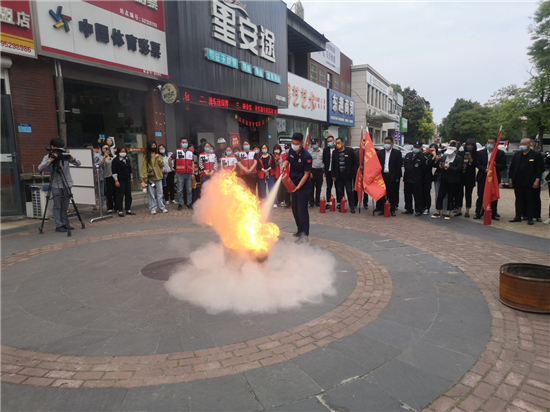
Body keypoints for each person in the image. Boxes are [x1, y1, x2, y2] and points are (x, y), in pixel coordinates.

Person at [38, 138, 81, 232]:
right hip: (55, 184)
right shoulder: (48, 156)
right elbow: (40, 168)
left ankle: (65, 223)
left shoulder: (65, 155)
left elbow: (79, 164)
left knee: (65, 205)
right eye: (57, 148)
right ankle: (58, 225)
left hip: (67, 183)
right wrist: (50, 160)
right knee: (57, 205)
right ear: (52, 147)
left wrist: (73, 159)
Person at [282, 133, 312, 243]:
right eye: (292, 143)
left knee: (302, 211)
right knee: (295, 209)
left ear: (302, 143)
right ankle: (299, 231)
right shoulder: (291, 150)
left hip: (303, 186)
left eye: (296, 144)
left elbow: (306, 174)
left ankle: (304, 235)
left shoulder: (307, 156)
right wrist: (284, 165)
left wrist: (298, 187)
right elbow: (288, 159)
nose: (294, 145)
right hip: (292, 184)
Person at [508, 138, 544, 225]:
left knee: (530, 200)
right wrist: (510, 179)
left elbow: (540, 169)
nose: (522, 146)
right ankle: (518, 216)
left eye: (524, 144)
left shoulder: (536, 155)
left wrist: (537, 180)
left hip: (530, 182)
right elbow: (512, 168)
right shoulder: (517, 155)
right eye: (521, 144)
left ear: (529, 144)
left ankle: (530, 217)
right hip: (518, 181)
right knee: (519, 199)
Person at [473, 137, 506, 220]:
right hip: (483, 176)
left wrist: (495, 165)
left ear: (495, 143)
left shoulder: (500, 153)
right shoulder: (480, 153)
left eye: (492, 142)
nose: (490, 144)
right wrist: (485, 169)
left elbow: (503, 166)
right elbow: (477, 163)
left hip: (493, 177)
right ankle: (479, 212)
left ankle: (493, 213)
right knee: (481, 195)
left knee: (493, 195)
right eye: (488, 142)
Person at [432, 142, 462, 220]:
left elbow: (459, 169)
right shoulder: (444, 157)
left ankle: (448, 212)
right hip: (444, 179)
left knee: (450, 197)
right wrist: (440, 166)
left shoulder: (458, 158)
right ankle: (438, 211)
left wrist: (449, 167)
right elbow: (438, 165)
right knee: (440, 195)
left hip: (453, 180)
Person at [376, 137, 403, 216]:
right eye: (385, 143)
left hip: (392, 176)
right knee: (382, 193)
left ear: (392, 144)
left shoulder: (397, 153)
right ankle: (381, 209)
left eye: (388, 143)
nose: (386, 144)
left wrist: (397, 177)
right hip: (382, 175)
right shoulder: (380, 153)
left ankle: (392, 209)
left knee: (392, 193)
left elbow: (398, 166)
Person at [332, 137, 358, 213]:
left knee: (349, 191)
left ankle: (352, 206)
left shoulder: (349, 150)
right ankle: (342, 206)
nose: (337, 145)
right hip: (338, 175)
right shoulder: (335, 152)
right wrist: (333, 175)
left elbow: (355, 161)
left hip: (348, 175)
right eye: (336, 143)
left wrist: (359, 169)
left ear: (343, 143)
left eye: (339, 143)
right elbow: (333, 165)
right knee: (340, 191)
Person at [141, 141, 167, 215]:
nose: (154, 146)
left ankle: (162, 207)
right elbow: (144, 167)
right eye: (152, 145)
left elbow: (162, 165)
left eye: (154, 145)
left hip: (158, 177)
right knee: (151, 194)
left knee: (160, 193)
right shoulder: (146, 156)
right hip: (151, 178)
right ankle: (153, 208)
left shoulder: (158, 155)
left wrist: (159, 158)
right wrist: (144, 177)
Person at [456, 139, 477, 217]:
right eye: (468, 145)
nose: (469, 147)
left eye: (471, 145)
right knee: (459, 193)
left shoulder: (476, 154)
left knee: (468, 194)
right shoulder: (461, 153)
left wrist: (470, 160)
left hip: (470, 176)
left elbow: (476, 165)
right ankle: (459, 209)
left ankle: (467, 211)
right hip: (461, 176)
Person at [402, 141, 425, 216]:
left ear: (420, 148)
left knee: (417, 196)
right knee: (407, 195)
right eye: (415, 147)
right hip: (408, 178)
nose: (416, 148)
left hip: (417, 180)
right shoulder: (408, 155)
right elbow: (405, 165)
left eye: (417, 147)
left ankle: (418, 210)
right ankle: (408, 209)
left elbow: (423, 169)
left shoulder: (422, 157)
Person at [171, 137, 194, 211]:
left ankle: (189, 203)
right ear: (180, 143)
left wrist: (193, 172)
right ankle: (180, 204)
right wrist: (171, 168)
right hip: (180, 173)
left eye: (186, 142)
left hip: (189, 173)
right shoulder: (177, 152)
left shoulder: (190, 153)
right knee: (179, 190)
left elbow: (192, 163)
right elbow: (170, 159)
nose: (184, 144)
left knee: (189, 190)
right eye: (183, 142)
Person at [111, 147, 135, 217]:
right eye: (121, 151)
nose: (123, 153)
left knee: (128, 195)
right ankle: (120, 210)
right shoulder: (115, 160)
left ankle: (128, 209)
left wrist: (131, 178)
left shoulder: (127, 160)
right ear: (118, 152)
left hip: (127, 179)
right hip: (120, 180)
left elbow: (129, 169)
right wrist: (116, 180)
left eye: (124, 151)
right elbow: (114, 171)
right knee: (120, 196)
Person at [422, 143, 440, 215]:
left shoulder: (436, 156)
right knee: (421, 192)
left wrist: (434, 156)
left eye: (434, 148)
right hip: (421, 176)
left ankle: (427, 208)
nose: (432, 149)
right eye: (431, 148)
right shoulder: (425, 155)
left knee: (427, 192)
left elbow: (432, 165)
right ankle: (422, 206)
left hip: (428, 177)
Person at [99, 143, 116, 213]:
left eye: (107, 148)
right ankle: (110, 207)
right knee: (109, 193)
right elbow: (100, 165)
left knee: (116, 192)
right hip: (107, 176)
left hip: (115, 176)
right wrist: (104, 157)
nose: (106, 150)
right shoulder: (101, 157)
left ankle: (117, 207)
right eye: (104, 148)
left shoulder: (113, 156)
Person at [308, 138, 324, 208]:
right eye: (312, 144)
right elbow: (307, 163)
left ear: (318, 143)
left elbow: (325, 161)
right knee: (311, 187)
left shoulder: (322, 151)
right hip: (312, 171)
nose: (314, 145)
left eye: (315, 143)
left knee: (319, 187)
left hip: (320, 171)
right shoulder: (309, 152)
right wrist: (309, 172)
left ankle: (317, 201)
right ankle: (311, 202)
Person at [322, 135, 336, 209]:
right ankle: (328, 202)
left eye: (331, 141)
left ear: (334, 141)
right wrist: (325, 171)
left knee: (338, 187)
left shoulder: (337, 149)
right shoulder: (326, 150)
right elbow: (324, 160)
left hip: (336, 172)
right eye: (328, 142)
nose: (329, 143)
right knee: (328, 187)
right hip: (328, 171)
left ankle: (339, 202)